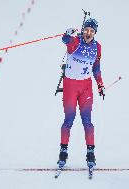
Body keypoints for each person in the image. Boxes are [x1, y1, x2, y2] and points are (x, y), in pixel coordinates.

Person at [57, 18, 105, 169]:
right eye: (86, 30)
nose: (88, 33)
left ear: (95, 32)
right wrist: (67, 34)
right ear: (83, 30)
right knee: (69, 119)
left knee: (87, 121)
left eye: (91, 31)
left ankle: (90, 154)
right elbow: (65, 41)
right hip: (70, 85)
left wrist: (100, 84)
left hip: (85, 87)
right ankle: (63, 152)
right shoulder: (75, 42)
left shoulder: (97, 47)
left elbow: (96, 68)